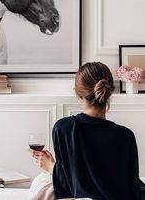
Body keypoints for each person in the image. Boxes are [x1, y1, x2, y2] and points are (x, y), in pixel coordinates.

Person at [30, 62, 145, 200]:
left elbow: (67, 190)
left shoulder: (63, 128)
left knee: (40, 182)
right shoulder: (126, 136)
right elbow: (131, 191)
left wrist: (50, 167)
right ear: (110, 91)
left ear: (79, 94)